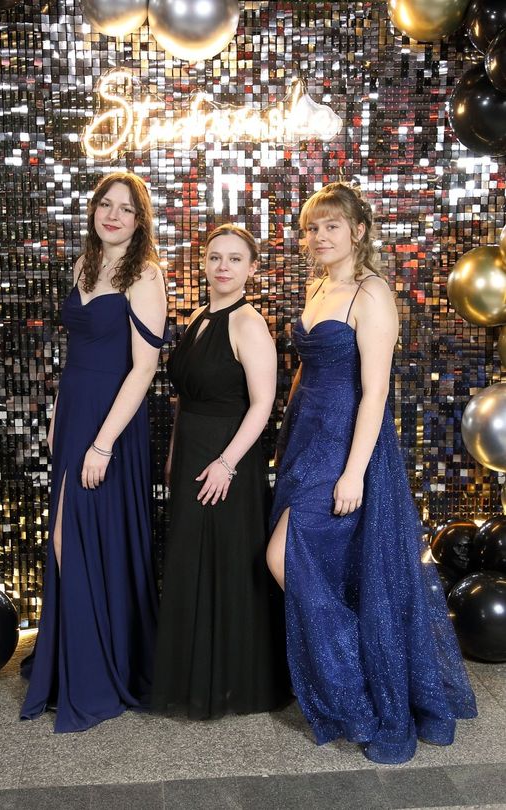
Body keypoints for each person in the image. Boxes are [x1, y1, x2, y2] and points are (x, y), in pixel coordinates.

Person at [266, 182, 477, 764]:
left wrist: (354, 471)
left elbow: (376, 392)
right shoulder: (318, 286)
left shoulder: (372, 293)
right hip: (306, 439)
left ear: (358, 231)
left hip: (347, 442)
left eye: (331, 226)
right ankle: (353, 675)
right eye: (312, 228)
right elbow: (307, 372)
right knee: (323, 566)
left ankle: (361, 684)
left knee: (285, 556)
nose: (319, 237)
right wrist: (285, 438)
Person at [21, 171, 168, 733]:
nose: (112, 215)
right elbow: (76, 353)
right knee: (67, 535)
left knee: (77, 535)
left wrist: (103, 442)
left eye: (125, 209)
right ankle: (73, 661)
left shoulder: (146, 274)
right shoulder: (83, 265)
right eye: (105, 204)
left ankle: (99, 669)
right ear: (93, 210)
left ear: (139, 220)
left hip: (113, 418)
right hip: (75, 411)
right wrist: (58, 417)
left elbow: (144, 368)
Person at [151, 224, 290, 718]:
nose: (223, 266)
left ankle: (233, 682)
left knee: (226, 561)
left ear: (252, 268)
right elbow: (185, 399)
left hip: (228, 457)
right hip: (192, 451)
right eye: (215, 257)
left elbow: (263, 404)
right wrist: (174, 452)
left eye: (234, 258)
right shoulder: (198, 316)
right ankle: (195, 676)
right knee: (192, 559)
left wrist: (226, 464)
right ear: (204, 263)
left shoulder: (249, 323)